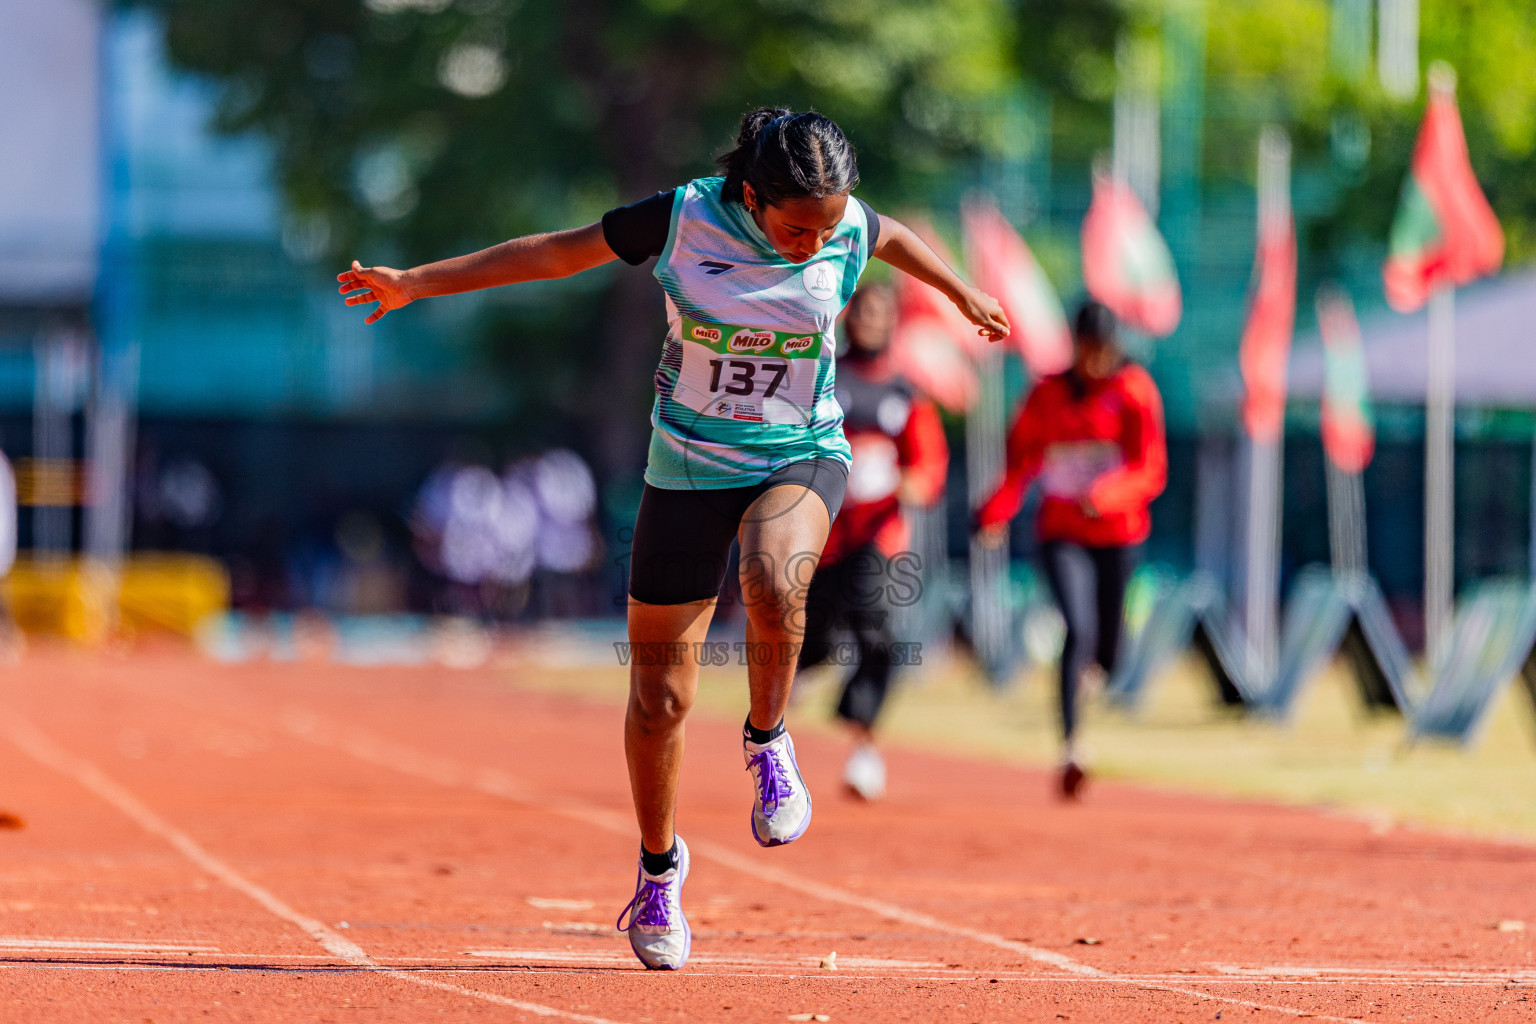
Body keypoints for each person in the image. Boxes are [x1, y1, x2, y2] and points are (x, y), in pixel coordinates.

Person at [338, 107, 1008, 970]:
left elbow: (893, 236)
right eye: (797, 228)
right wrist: (416, 283)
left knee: (774, 576)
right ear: (751, 194)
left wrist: (960, 292)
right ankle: (659, 872)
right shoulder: (684, 217)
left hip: (800, 449)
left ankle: (769, 741)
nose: (816, 243)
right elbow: (553, 252)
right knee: (659, 700)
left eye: (830, 226)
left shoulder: (843, 224)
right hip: (688, 465)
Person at [973, 300, 1165, 801]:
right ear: (1076, 346)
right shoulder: (1046, 395)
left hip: (1119, 534)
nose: (1096, 360)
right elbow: (1021, 463)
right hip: (1061, 533)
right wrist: (995, 511)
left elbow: (1151, 468)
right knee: (1075, 629)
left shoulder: (1135, 391)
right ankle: (1072, 747)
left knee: (1110, 652)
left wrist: (1107, 495)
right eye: (1088, 349)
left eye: (1105, 350)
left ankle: (1098, 672)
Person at [796, 282, 948, 800]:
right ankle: (804, 673)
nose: (869, 320)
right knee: (812, 640)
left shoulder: (905, 394)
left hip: (879, 534)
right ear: (848, 316)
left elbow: (928, 461)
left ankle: (864, 748)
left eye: (880, 312)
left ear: (893, 321)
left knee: (878, 633)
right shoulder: (823, 379)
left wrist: (915, 483)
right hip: (822, 532)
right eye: (861, 310)